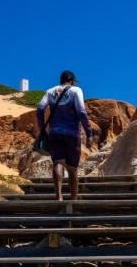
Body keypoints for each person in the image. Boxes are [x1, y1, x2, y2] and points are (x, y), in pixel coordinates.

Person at [34, 70, 94, 201]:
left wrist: (42, 129)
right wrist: (89, 133)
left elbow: (40, 110)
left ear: (61, 81)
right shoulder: (76, 90)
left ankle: (59, 196)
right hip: (72, 135)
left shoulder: (50, 92)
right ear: (72, 81)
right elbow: (82, 113)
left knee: (58, 163)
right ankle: (73, 200)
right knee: (72, 169)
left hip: (54, 134)